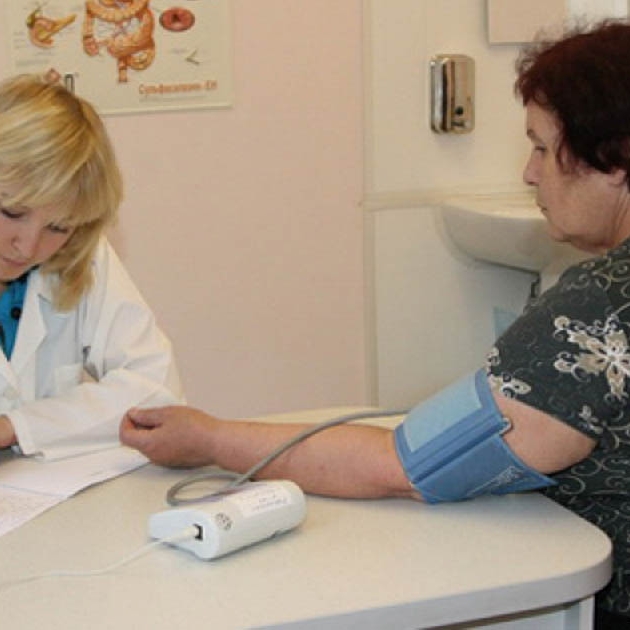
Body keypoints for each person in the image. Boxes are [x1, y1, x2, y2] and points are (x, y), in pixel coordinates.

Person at [120, 21, 630, 629]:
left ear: (614, 158)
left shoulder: (595, 312)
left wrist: (209, 440)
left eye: (542, 148)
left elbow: (407, 465)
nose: (528, 173)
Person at [0, 72, 183, 460]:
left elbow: (157, 392)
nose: (28, 246)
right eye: (12, 212)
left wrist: (18, 426)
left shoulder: (79, 252)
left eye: (57, 227)